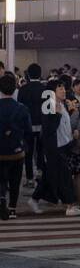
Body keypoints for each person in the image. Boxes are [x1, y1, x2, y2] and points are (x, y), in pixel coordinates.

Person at [31, 78, 79, 215]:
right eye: (60, 89)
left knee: (50, 176)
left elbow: (63, 125)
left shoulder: (60, 104)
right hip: (54, 148)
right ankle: (70, 206)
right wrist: (57, 115)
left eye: (64, 88)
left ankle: (34, 199)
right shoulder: (49, 106)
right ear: (52, 92)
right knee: (65, 176)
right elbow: (48, 129)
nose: (64, 91)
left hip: (63, 145)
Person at [0, 73, 31, 218]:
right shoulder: (22, 108)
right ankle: (12, 208)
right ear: (15, 89)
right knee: (15, 180)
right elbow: (28, 131)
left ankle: (1, 201)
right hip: (17, 151)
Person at [17, 63, 44, 186]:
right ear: (40, 74)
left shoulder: (23, 89)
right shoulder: (45, 89)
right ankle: (40, 172)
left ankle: (29, 178)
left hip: (27, 125)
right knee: (40, 150)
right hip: (42, 125)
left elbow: (20, 108)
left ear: (28, 74)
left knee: (28, 152)